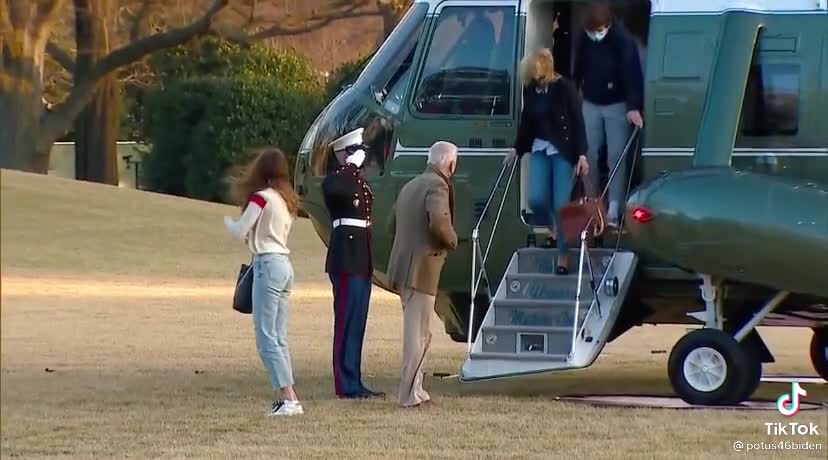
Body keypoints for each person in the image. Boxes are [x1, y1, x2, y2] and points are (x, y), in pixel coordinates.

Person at [224, 149, 304, 417]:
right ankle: (290, 396)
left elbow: (240, 230)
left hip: (267, 265)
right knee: (279, 336)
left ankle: (288, 397)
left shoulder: (261, 198)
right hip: (284, 265)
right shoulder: (286, 200)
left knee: (266, 337)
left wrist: (228, 222)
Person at [386, 141, 459, 408]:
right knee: (417, 335)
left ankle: (416, 388)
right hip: (423, 270)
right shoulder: (437, 186)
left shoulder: (410, 185)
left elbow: (390, 224)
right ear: (449, 164)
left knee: (420, 333)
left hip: (404, 268)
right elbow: (439, 222)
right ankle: (408, 394)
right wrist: (453, 241)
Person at [507, 48, 589, 275]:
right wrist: (517, 148)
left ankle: (563, 256)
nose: (533, 77)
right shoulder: (531, 89)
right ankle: (553, 229)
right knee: (536, 198)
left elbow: (577, 121)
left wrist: (582, 154)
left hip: (562, 150)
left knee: (560, 204)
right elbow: (527, 121)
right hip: (539, 147)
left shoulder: (564, 87)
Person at [321, 127, 385, 400]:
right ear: (343, 155)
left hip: (360, 258)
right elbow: (334, 189)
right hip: (346, 258)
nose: (360, 156)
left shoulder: (356, 181)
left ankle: (354, 379)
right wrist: (349, 166)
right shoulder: (337, 179)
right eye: (354, 151)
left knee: (357, 321)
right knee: (346, 321)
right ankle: (344, 383)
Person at [572, 0, 644, 227]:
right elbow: (578, 68)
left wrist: (633, 106)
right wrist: (574, 96)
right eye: (592, 32)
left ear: (608, 26)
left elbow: (632, 73)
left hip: (617, 104)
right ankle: (593, 205)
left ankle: (614, 208)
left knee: (616, 156)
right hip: (591, 102)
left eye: (599, 31)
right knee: (588, 155)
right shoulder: (584, 38)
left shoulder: (623, 41)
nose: (596, 35)